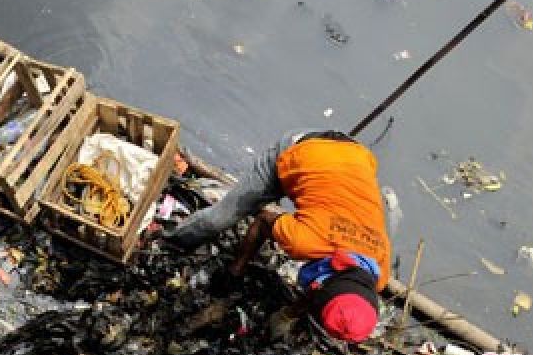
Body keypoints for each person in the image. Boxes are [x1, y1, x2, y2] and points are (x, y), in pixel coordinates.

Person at [164, 130, 390, 342]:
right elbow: (263, 220)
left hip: (355, 159)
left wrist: (287, 316)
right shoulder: (304, 241)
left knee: (306, 212)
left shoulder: (379, 272)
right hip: (306, 148)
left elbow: (328, 287)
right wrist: (236, 270)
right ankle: (170, 241)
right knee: (218, 219)